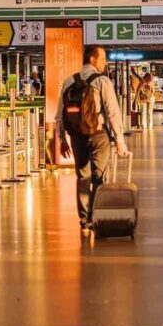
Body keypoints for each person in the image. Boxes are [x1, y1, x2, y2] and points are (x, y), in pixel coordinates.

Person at [55, 45, 129, 234]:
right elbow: (112, 112)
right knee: (98, 176)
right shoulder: (102, 81)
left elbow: (59, 114)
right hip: (98, 135)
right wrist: (120, 140)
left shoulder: (69, 81)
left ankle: (83, 219)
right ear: (93, 60)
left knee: (82, 176)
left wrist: (62, 138)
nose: (105, 62)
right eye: (103, 58)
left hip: (77, 135)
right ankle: (95, 216)